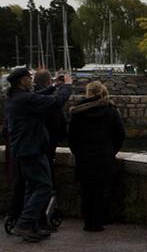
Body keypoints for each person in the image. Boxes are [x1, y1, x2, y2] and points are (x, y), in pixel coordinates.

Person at [5, 67, 71, 242]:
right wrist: (67, 87)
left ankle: (31, 226)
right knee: (44, 186)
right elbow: (55, 103)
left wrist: (55, 86)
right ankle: (25, 224)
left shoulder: (16, 98)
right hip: (32, 149)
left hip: (25, 149)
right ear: (22, 81)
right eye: (29, 77)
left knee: (31, 188)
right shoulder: (24, 99)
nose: (31, 79)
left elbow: (39, 96)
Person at [66, 81, 126, 233]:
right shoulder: (110, 110)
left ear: (88, 93)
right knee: (101, 190)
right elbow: (120, 134)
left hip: (84, 156)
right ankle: (98, 223)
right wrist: (112, 150)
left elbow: (71, 136)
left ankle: (87, 222)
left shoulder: (78, 111)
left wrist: (78, 151)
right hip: (104, 155)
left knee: (86, 189)